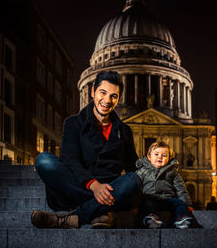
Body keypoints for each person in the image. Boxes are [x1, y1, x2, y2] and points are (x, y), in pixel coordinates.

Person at [31, 71, 141, 229]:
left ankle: (69, 219)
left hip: (109, 189)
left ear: (118, 99)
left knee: (133, 180)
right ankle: (100, 210)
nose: (107, 100)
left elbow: (133, 167)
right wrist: (94, 186)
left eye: (113, 96)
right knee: (44, 160)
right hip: (80, 184)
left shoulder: (124, 131)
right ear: (92, 92)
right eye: (102, 92)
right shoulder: (73, 123)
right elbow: (69, 159)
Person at [135, 142, 194, 229]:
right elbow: (136, 188)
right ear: (149, 157)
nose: (160, 157)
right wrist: (134, 205)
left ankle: (182, 218)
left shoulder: (172, 172)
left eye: (164, 155)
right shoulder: (142, 171)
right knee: (147, 204)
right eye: (156, 154)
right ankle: (152, 218)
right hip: (150, 198)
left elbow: (181, 188)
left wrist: (188, 204)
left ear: (169, 158)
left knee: (179, 203)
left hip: (168, 200)